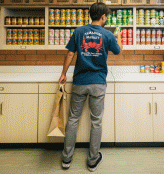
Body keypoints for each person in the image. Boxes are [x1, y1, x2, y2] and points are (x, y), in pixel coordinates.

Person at [58, 2, 122, 172]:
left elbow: (70, 53)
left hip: (80, 82)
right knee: (96, 121)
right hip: (98, 83)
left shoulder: (79, 31)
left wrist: (63, 73)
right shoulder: (107, 35)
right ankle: (92, 161)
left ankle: (66, 159)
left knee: (72, 119)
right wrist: (119, 36)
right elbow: (118, 51)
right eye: (106, 16)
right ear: (103, 17)